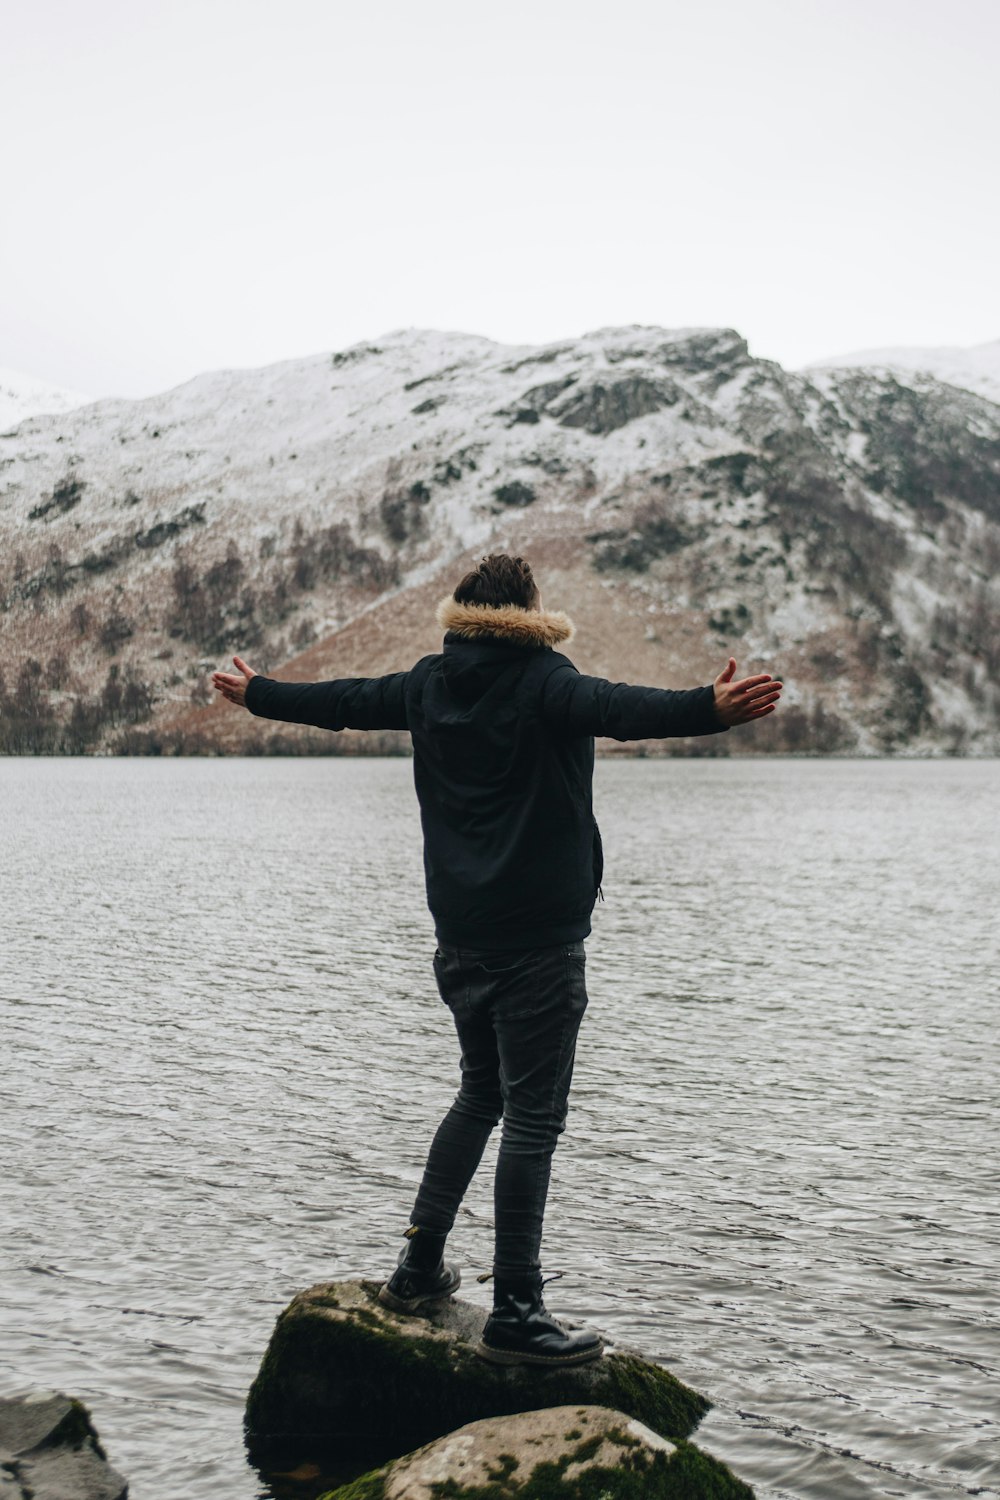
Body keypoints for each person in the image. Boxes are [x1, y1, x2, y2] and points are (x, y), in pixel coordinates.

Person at [212, 553, 782, 1367]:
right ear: (532, 611)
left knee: (480, 1095)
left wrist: (258, 690)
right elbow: (621, 710)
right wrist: (711, 709)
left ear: (462, 613)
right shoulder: (546, 680)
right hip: (540, 947)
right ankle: (517, 1309)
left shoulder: (426, 683)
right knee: (533, 1119)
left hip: (461, 937)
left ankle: (416, 1268)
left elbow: (339, 702)